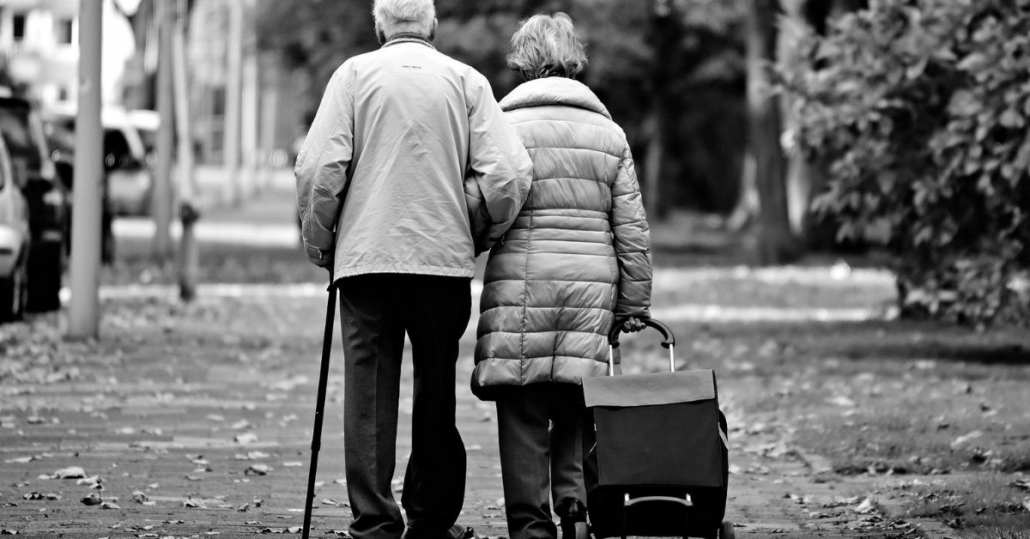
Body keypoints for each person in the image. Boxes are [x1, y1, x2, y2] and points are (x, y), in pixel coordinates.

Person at [294, 1, 533, 538]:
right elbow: (511, 172)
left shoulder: (353, 76)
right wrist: (479, 230)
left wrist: (322, 243)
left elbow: (318, 168)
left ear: (380, 26)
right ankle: (429, 518)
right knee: (435, 387)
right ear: (434, 27)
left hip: (366, 262)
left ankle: (375, 519)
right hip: (442, 261)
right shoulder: (465, 81)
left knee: (368, 390)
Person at [467, 12, 653, 539]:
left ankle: (530, 526)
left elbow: (483, 208)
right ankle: (574, 505)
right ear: (574, 60)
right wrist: (634, 304)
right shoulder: (609, 134)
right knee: (578, 395)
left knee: (523, 404)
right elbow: (632, 229)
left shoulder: (501, 127)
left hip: (521, 285)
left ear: (523, 61)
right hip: (591, 286)